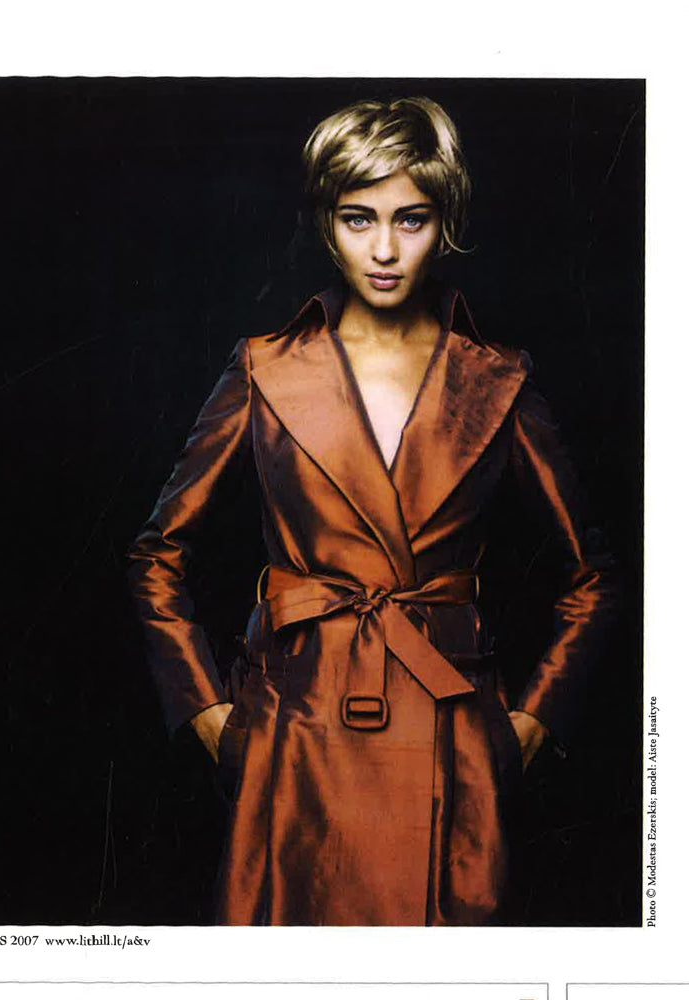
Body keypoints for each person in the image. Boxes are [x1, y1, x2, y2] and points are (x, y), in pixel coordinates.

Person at [128, 96, 614, 926]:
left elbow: (592, 576)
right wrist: (211, 715)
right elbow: (156, 555)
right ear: (326, 223)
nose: (384, 249)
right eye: (359, 218)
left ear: (445, 222)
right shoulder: (266, 368)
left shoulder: (499, 378)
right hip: (295, 738)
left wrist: (526, 727)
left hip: (449, 737)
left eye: (410, 219)